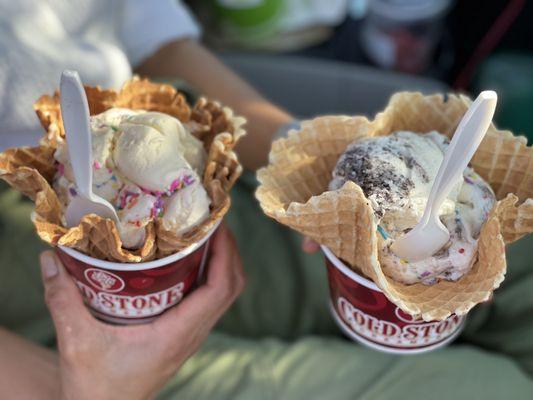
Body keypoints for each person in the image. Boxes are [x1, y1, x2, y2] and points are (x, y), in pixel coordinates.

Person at [1, 1, 533, 399]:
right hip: (28, 275)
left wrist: (303, 159)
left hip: (169, 141)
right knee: (486, 389)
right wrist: (89, 391)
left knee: (520, 249)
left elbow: (153, 38)